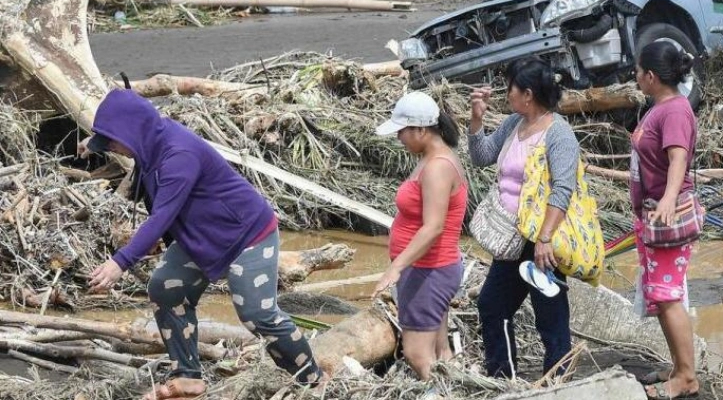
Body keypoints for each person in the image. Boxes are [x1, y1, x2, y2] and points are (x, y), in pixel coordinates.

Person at [82, 89, 322, 400]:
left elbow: (161, 219)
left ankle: (313, 381)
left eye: (113, 142)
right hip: (202, 235)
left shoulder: (178, 155)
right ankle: (187, 377)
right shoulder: (150, 141)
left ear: (132, 133)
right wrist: (95, 142)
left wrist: (120, 262)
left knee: (257, 314)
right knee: (166, 286)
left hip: (247, 234)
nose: (114, 149)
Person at [469, 58, 579, 379]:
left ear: (527, 94)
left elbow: (563, 189)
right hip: (513, 239)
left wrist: (545, 238)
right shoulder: (513, 125)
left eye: (510, 90)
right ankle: (503, 379)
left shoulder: (558, 134)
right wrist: (477, 121)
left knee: (550, 317)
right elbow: (481, 157)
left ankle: (557, 382)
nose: (507, 95)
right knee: (492, 306)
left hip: (543, 240)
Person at [374, 91, 468, 380]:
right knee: (440, 353)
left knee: (417, 354)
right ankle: (452, 391)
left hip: (430, 270)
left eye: (402, 131)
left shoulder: (438, 166)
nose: (399, 138)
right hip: (429, 270)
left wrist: (396, 267)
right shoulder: (431, 158)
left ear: (421, 129)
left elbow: (433, 227)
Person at [630, 41, 701, 400]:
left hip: (667, 215)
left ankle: (687, 376)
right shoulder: (659, 108)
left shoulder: (674, 111)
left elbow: (678, 158)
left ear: (652, 76)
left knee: (668, 296)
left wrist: (670, 198)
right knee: (660, 295)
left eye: (638, 71)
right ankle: (678, 366)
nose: (636, 76)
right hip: (653, 214)